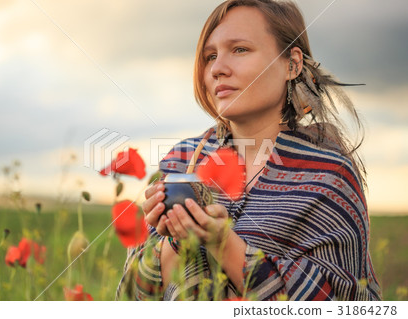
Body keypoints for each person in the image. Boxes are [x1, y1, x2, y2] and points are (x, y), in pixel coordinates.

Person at [116, 0, 382, 301]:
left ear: (292, 64)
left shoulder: (329, 176)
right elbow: (132, 298)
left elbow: (341, 304)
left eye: (240, 49)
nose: (217, 69)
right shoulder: (181, 162)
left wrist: (223, 244)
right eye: (210, 56)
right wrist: (174, 240)